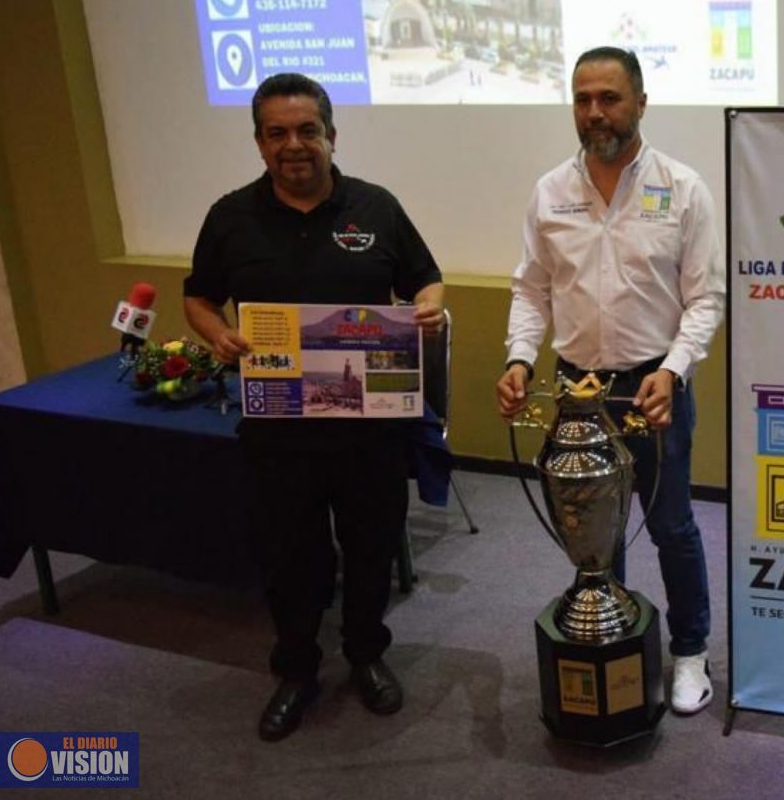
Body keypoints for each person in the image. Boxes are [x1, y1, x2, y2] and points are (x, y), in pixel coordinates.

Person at [183, 73, 446, 742]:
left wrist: (430, 307)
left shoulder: (377, 208)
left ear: (332, 135)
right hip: (278, 428)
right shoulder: (228, 216)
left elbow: (424, 278)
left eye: (307, 130)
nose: (293, 145)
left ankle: (365, 654)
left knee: (370, 548)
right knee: (289, 556)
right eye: (278, 133)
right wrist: (216, 333)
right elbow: (199, 296)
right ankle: (296, 668)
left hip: (369, 431)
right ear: (259, 142)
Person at [495, 47, 725, 715]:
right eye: (582, 98)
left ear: (641, 102)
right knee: (594, 529)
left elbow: (704, 300)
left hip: (653, 390)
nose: (594, 112)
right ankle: (616, 640)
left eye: (609, 97)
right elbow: (531, 291)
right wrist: (518, 358)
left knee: (671, 525)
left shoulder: (683, 189)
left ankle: (689, 650)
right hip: (575, 391)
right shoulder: (550, 191)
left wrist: (673, 369)